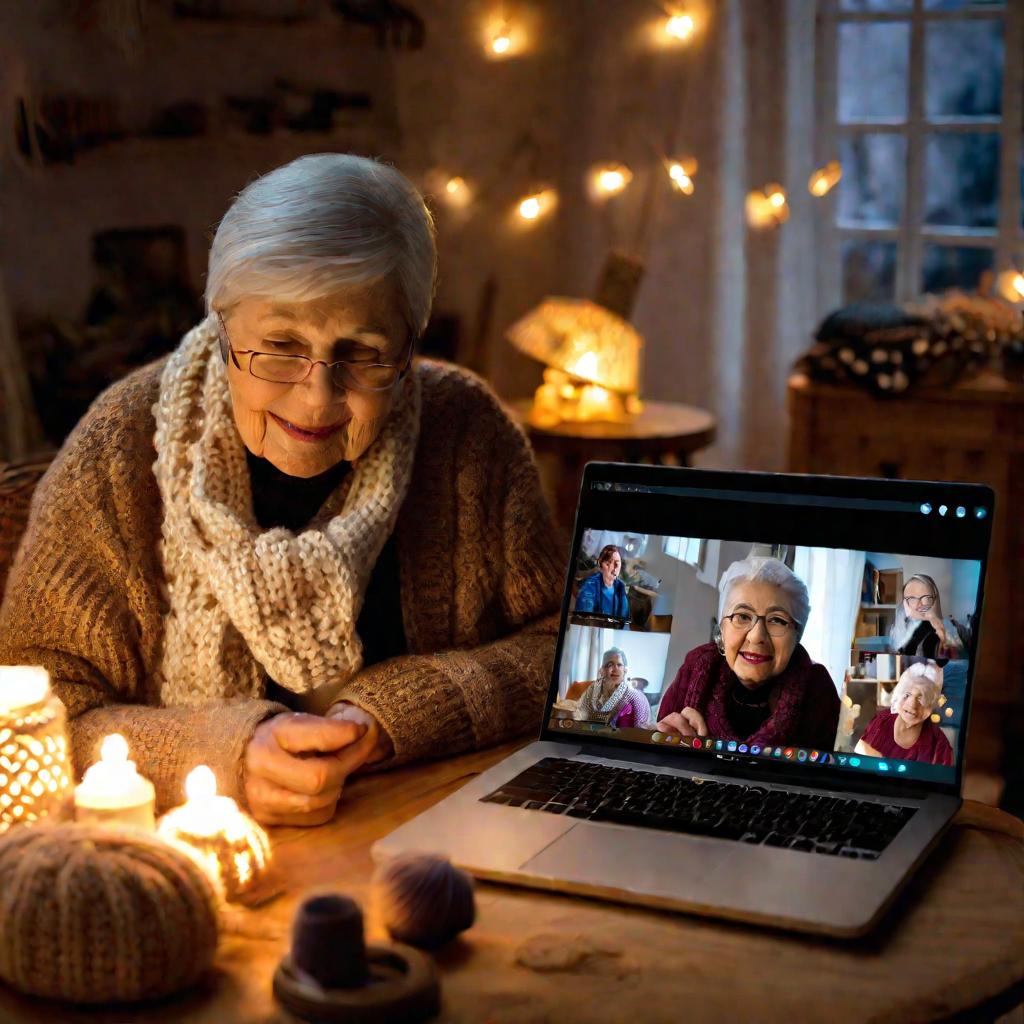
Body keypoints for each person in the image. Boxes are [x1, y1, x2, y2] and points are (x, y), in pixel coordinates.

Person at [0, 153, 563, 827]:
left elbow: (566, 646)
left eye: (363, 353)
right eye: (280, 345)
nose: (317, 396)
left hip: (444, 832)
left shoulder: (468, 433)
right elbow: (34, 711)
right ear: (221, 323)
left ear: (410, 344)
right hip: (206, 867)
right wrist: (219, 755)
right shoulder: (120, 447)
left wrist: (403, 713)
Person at [656, 556, 840, 750]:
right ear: (722, 629)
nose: (756, 636)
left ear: (797, 636)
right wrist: (667, 743)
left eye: (777, 620)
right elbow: (658, 751)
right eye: (742, 616)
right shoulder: (695, 667)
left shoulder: (817, 687)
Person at [855, 662, 953, 766]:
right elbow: (860, 751)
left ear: (931, 705)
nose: (912, 705)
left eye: (922, 698)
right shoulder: (882, 719)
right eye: (907, 694)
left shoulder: (939, 746)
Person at [573, 647, 651, 728]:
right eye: (609, 665)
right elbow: (581, 713)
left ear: (625, 670)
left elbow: (641, 728)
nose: (615, 669)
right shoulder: (592, 689)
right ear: (602, 670)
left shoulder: (635, 696)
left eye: (619, 665)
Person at [890, 574, 958, 659]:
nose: (918, 604)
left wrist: (937, 624)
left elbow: (954, 664)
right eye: (911, 598)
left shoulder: (945, 631)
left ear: (935, 600)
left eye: (925, 597)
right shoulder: (904, 626)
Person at [574, 544, 629, 619]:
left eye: (618, 563)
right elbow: (584, 618)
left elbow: (624, 618)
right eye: (609, 563)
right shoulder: (590, 587)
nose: (615, 568)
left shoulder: (620, 587)